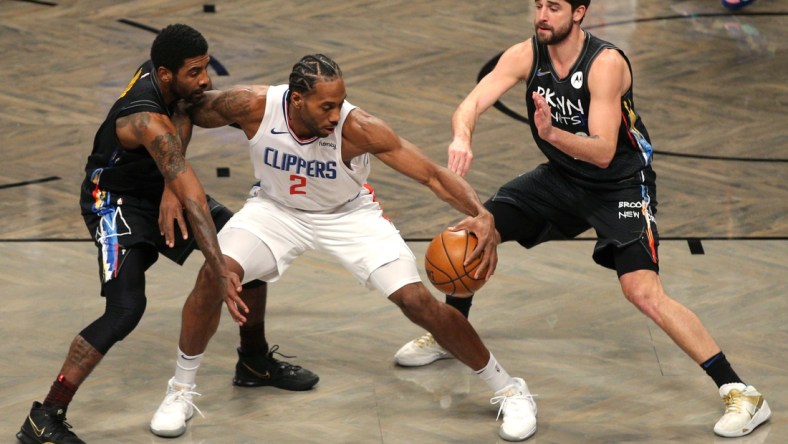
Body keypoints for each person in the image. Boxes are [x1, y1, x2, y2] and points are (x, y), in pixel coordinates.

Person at [394, 0, 771, 439]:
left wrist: (552, 132)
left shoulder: (605, 63)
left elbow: (603, 150)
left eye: (553, 7)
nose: (542, 15)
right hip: (562, 178)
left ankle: (741, 391)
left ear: (579, 12)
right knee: (478, 227)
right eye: (538, 5)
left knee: (643, 292)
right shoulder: (526, 53)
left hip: (621, 185)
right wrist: (462, 136)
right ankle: (450, 333)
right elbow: (471, 103)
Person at [150, 53, 538, 441]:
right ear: (297, 99)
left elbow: (434, 176)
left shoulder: (359, 129)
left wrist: (481, 213)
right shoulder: (252, 106)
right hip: (274, 210)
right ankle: (181, 390)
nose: (336, 115)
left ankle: (510, 389)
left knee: (417, 300)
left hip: (348, 216)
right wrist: (173, 179)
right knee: (212, 276)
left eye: (340, 102)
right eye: (327, 106)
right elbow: (184, 108)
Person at [16, 24, 316, 444]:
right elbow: (192, 194)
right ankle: (44, 417)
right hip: (115, 201)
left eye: (205, 68)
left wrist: (168, 186)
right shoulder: (144, 118)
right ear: (164, 74)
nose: (205, 80)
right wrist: (217, 266)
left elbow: (183, 114)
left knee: (252, 246)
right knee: (126, 308)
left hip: (157, 187)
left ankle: (253, 362)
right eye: (194, 72)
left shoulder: (168, 82)